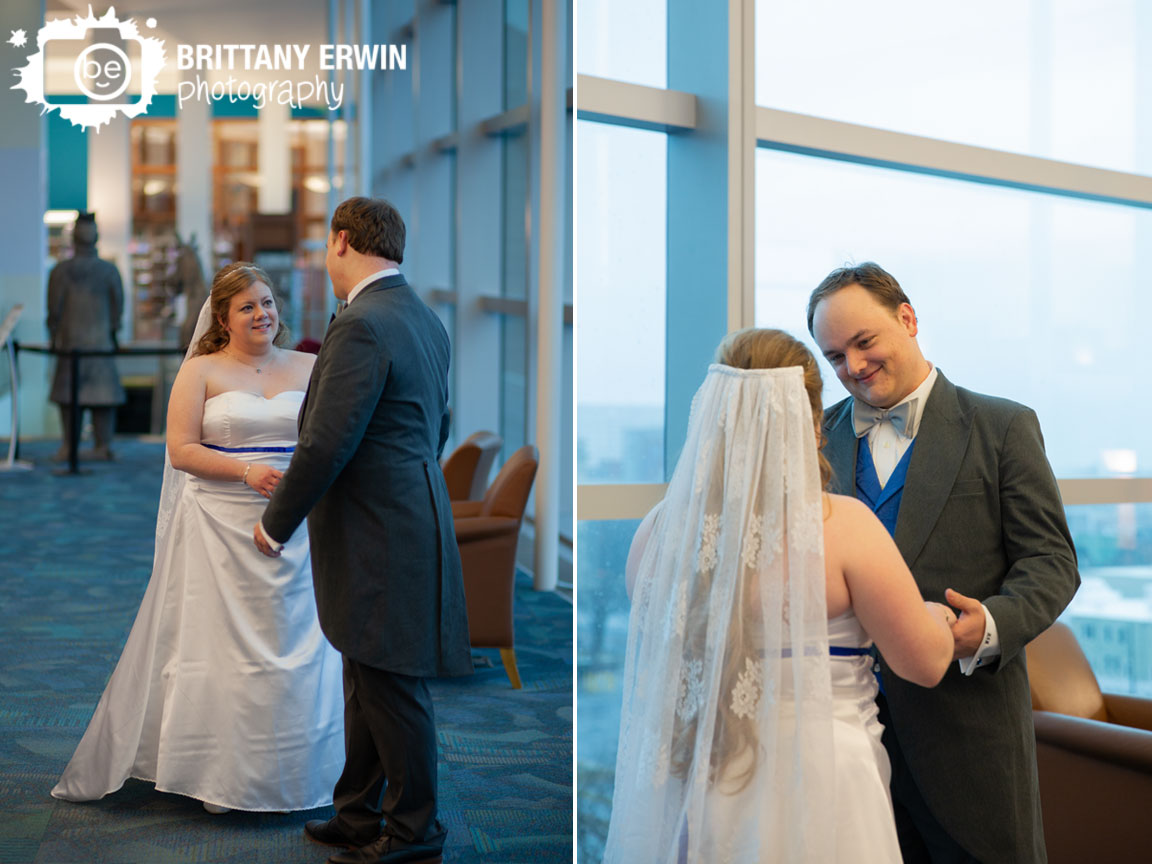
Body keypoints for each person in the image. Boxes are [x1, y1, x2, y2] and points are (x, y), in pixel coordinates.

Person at [604, 328, 955, 864]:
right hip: (826, 780)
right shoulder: (845, 527)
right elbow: (925, 663)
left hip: (704, 776)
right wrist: (935, 615)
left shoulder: (659, 532)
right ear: (812, 424)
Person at [807, 262, 1080, 864]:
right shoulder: (815, 437)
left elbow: (1052, 561)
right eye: (833, 357)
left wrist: (987, 626)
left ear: (906, 319)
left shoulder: (1002, 425)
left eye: (863, 342)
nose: (851, 367)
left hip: (969, 738)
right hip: (847, 743)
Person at [51, 262, 344, 814]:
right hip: (219, 523)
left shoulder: (311, 365)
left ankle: (304, 770)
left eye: (268, 303)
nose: (263, 314)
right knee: (221, 647)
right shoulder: (202, 371)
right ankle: (220, 775)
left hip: (298, 527)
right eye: (248, 307)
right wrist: (245, 472)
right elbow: (181, 450)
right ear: (224, 318)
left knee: (301, 644)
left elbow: (329, 438)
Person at [253, 197, 472, 864]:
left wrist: (276, 522)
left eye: (327, 244)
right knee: (366, 676)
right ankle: (358, 814)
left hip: (378, 528)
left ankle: (414, 834)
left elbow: (324, 444)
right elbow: (437, 427)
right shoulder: (422, 317)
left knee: (390, 685)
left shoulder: (363, 325)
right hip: (409, 511)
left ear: (341, 241)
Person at [46, 212, 125, 461]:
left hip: (74, 344)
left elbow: (53, 311)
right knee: (96, 397)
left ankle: (74, 445)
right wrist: (113, 332)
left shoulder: (61, 271)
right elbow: (117, 308)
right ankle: (99, 445)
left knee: (75, 399)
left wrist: (54, 336)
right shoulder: (107, 271)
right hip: (97, 343)